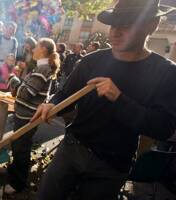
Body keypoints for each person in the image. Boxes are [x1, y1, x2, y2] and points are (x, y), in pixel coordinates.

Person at [32, 0, 176, 199]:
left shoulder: (166, 73)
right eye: (114, 24)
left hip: (111, 166)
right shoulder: (92, 60)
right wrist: (52, 104)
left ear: (152, 26)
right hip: (71, 150)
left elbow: (163, 128)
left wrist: (119, 99)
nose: (115, 32)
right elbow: (64, 95)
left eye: (126, 26)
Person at [5, 38, 61, 193]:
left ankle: (17, 184)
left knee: (21, 150)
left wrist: (13, 79)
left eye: (36, 46)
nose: (33, 49)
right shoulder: (40, 68)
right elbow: (27, 88)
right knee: (18, 148)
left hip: (27, 118)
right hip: (24, 116)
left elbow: (26, 93)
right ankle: (13, 176)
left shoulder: (43, 69)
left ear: (43, 49)